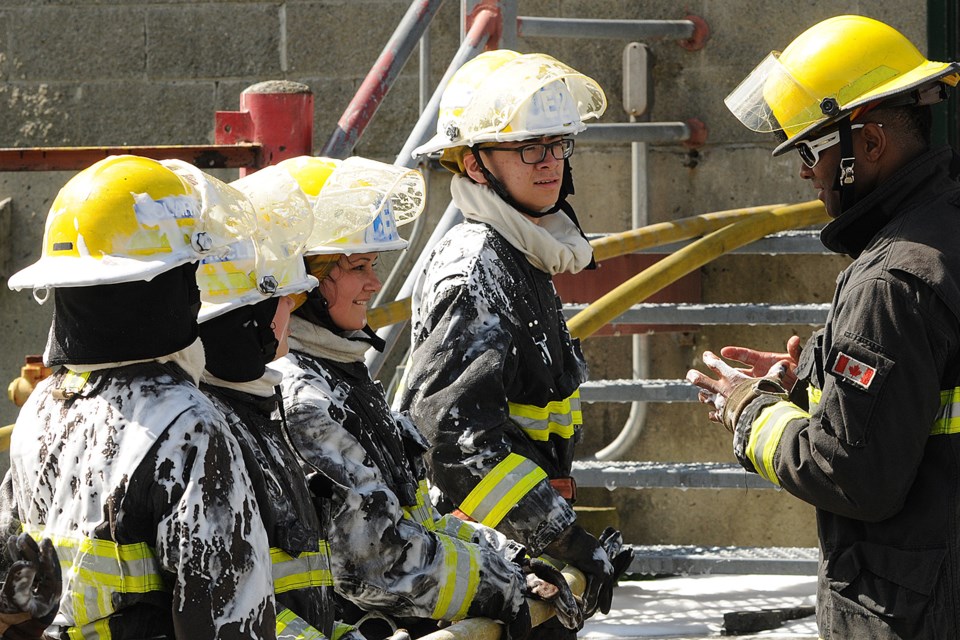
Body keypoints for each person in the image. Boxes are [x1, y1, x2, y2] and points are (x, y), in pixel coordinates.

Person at [685, 15, 960, 639]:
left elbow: (853, 474)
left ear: (869, 142)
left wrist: (749, 411)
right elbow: (924, 382)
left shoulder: (890, 280)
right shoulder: (943, 236)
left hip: (912, 612)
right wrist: (812, 370)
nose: (804, 172)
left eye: (811, 148)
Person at [270, 155, 581, 639]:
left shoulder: (345, 376)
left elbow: (418, 519)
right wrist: (502, 585)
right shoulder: (302, 397)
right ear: (297, 280)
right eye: (355, 267)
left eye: (373, 264)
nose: (374, 283)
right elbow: (378, 564)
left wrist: (511, 559)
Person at [393, 49, 632, 637]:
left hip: (522, 564)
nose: (549, 162)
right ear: (475, 166)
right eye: (528, 147)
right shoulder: (477, 271)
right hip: (487, 575)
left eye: (557, 144)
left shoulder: (521, 257)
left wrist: (553, 544)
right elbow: (454, 444)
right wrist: (565, 538)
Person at [1, 155, 278, 639]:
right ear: (171, 285)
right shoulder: (187, 424)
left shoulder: (40, 408)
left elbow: (12, 587)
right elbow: (229, 621)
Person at [189, 163, 358, 640]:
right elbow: (224, 604)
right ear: (249, 315)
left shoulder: (256, 411)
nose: (291, 310)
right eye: (285, 299)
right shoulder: (208, 429)